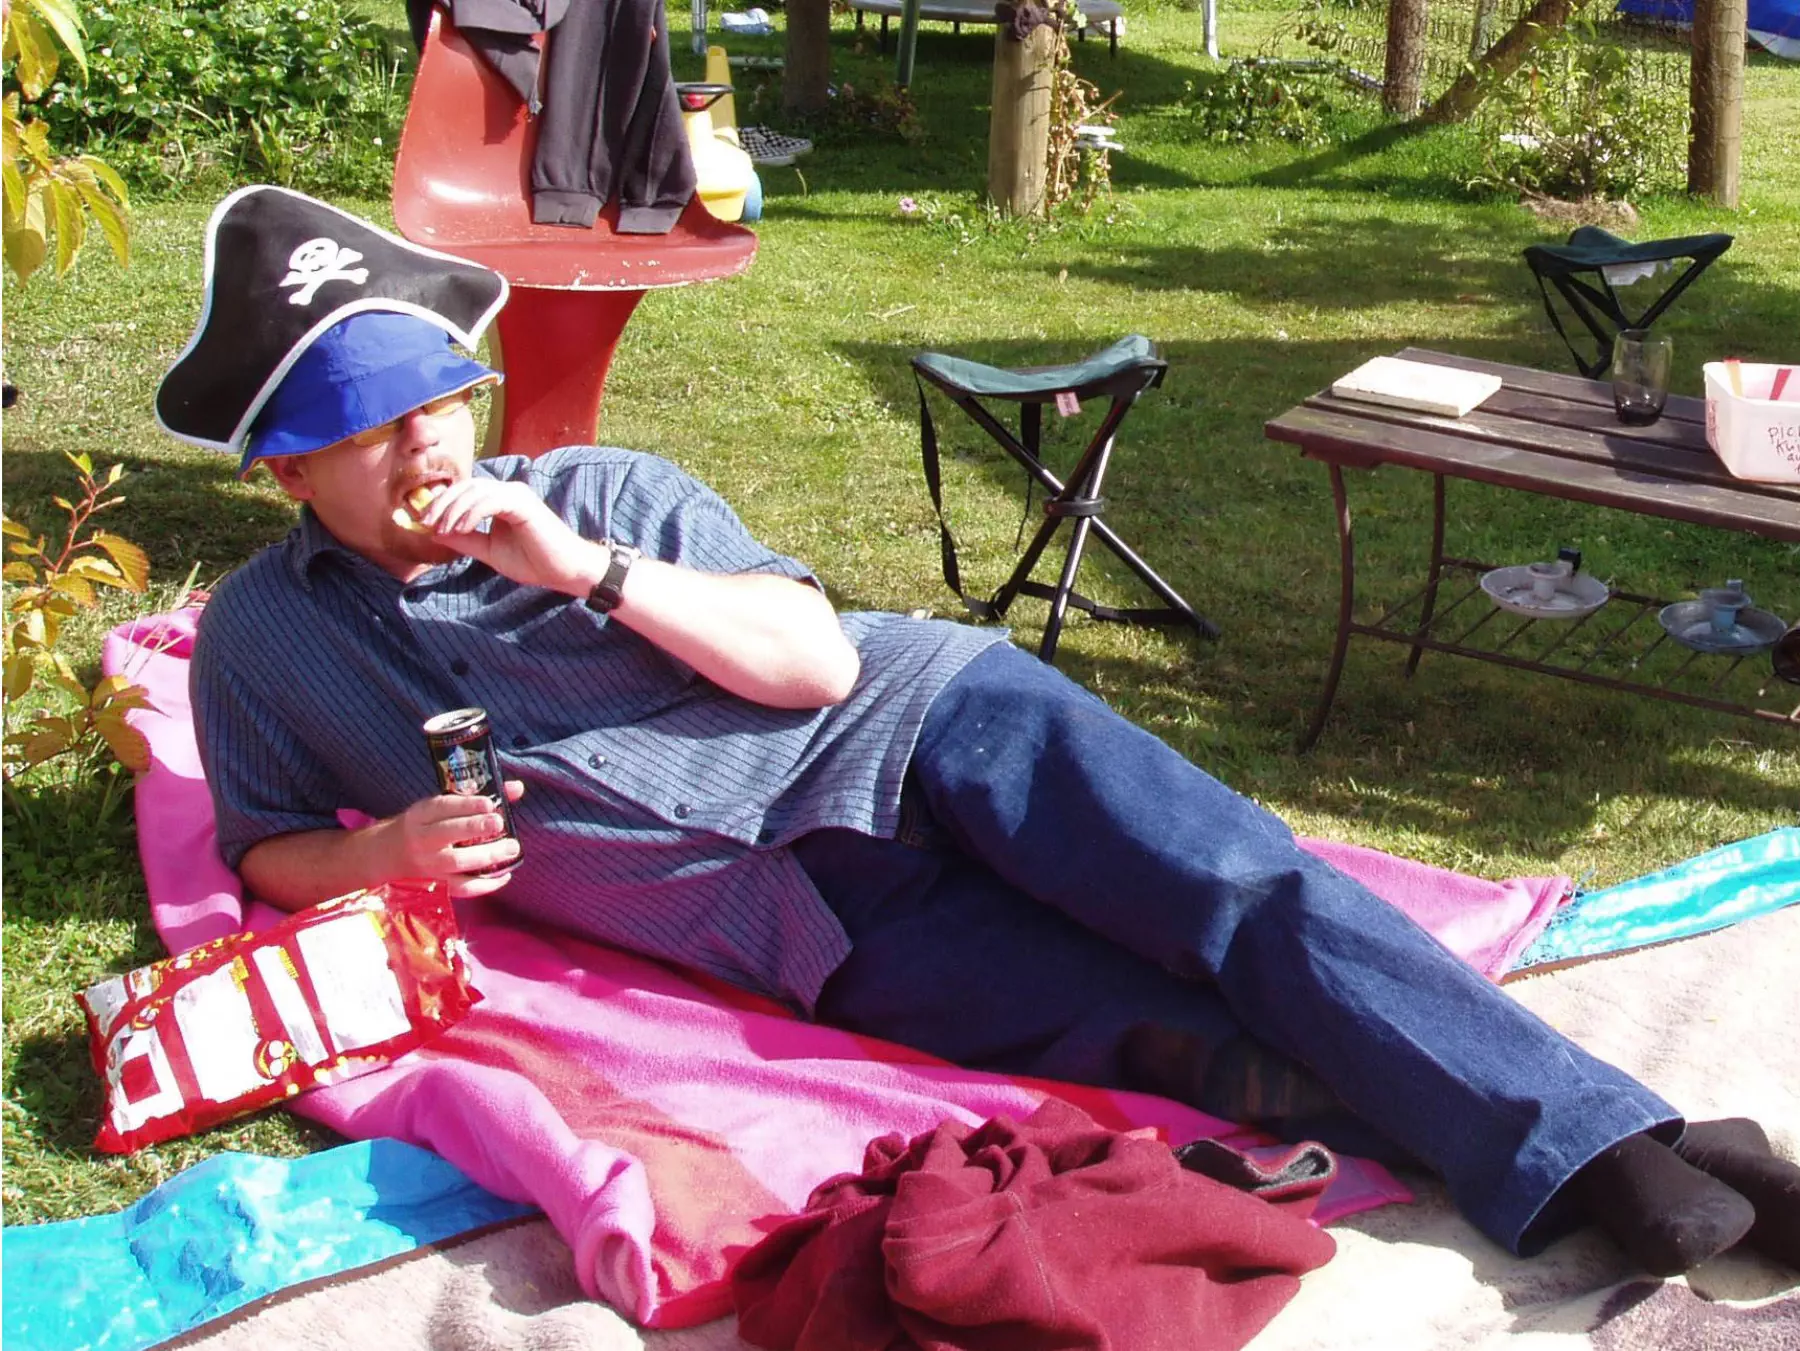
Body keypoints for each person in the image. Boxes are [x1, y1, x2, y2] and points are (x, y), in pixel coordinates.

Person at [166, 192, 1799, 1284]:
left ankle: (1611, 1144)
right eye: (372, 436)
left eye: (437, 404)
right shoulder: (264, 639)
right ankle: (1605, 1160)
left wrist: (585, 569)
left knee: (1246, 895)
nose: (426, 448)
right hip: (786, 917)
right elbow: (261, 845)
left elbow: (806, 664)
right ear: (285, 476)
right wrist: (375, 856)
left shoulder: (597, 492)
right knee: (1170, 1043)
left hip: (926, 726)